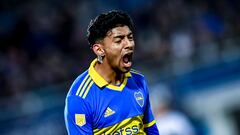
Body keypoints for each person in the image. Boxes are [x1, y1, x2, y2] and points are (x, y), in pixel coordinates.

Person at [64, 10, 159, 135]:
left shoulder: (138, 80)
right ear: (99, 50)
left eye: (130, 38)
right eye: (119, 40)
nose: (129, 44)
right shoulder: (80, 98)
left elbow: (151, 130)